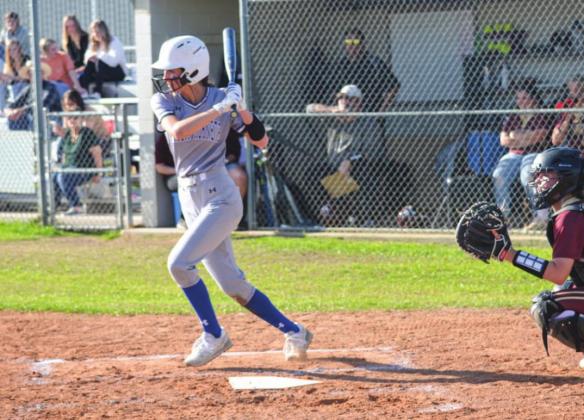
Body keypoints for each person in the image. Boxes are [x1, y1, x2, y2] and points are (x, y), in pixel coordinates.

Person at [150, 35, 312, 367]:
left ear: (193, 71)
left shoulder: (223, 99)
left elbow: (262, 141)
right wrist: (220, 108)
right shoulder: (165, 102)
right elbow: (177, 132)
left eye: (173, 72)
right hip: (190, 196)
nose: (167, 79)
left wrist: (242, 110)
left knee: (179, 264)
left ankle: (214, 335)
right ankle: (295, 331)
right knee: (232, 284)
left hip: (220, 197)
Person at [456, 147, 584, 387]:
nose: (539, 182)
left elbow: (557, 270)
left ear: (567, 179)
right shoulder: (580, 209)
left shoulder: (571, 216)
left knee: (547, 307)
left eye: (547, 176)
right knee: (561, 291)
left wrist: (507, 254)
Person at [306, 84, 385, 225]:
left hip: (356, 168)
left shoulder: (368, 122)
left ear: (358, 103)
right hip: (333, 167)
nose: (343, 101)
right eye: (340, 98)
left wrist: (350, 161)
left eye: (348, 99)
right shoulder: (332, 117)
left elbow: (371, 153)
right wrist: (332, 110)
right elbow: (309, 109)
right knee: (312, 172)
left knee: (365, 172)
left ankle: (363, 218)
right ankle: (322, 214)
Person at [492, 78, 551, 228]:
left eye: (524, 97)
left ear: (533, 97)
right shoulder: (513, 115)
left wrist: (516, 136)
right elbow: (504, 140)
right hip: (514, 154)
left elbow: (540, 136)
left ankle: (539, 217)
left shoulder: (542, 114)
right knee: (499, 175)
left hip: (535, 153)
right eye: (518, 98)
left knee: (528, 176)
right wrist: (526, 136)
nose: (521, 101)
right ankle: (504, 215)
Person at [51, 92, 104, 215]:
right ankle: (55, 205)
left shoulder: (86, 132)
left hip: (84, 169)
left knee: (62, 176)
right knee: (54, 176)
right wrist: (62, 167)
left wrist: (98, 173)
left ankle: (76, 206)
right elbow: (64, 156)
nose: (72, 120)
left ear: (81, 119)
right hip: (70, 168)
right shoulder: (68, 135)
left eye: (76, 118)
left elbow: (97, 154)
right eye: (70, 118)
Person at [330, 29, 400, 113]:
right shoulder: (340, 64)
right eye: (348, 41)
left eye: (356, 41)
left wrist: (382, 110)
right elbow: (333, 89)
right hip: (346, 113)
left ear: (363, 44)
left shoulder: (374, 62)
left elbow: (394, 86)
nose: (352, 45)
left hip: (370, 112)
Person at [78, 20, 126, 96]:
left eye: (98, 31)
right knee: (89, 66)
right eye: (94, 32)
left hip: (117, 72)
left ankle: (97, 92)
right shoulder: (93, 44)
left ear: (104, 31)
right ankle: (84, 92)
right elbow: (86, 59)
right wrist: (91, 58)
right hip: (100, 74)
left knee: (100, 62)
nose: (96, 34)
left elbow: (114, 62)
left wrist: (98, 56)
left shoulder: (114, 41)